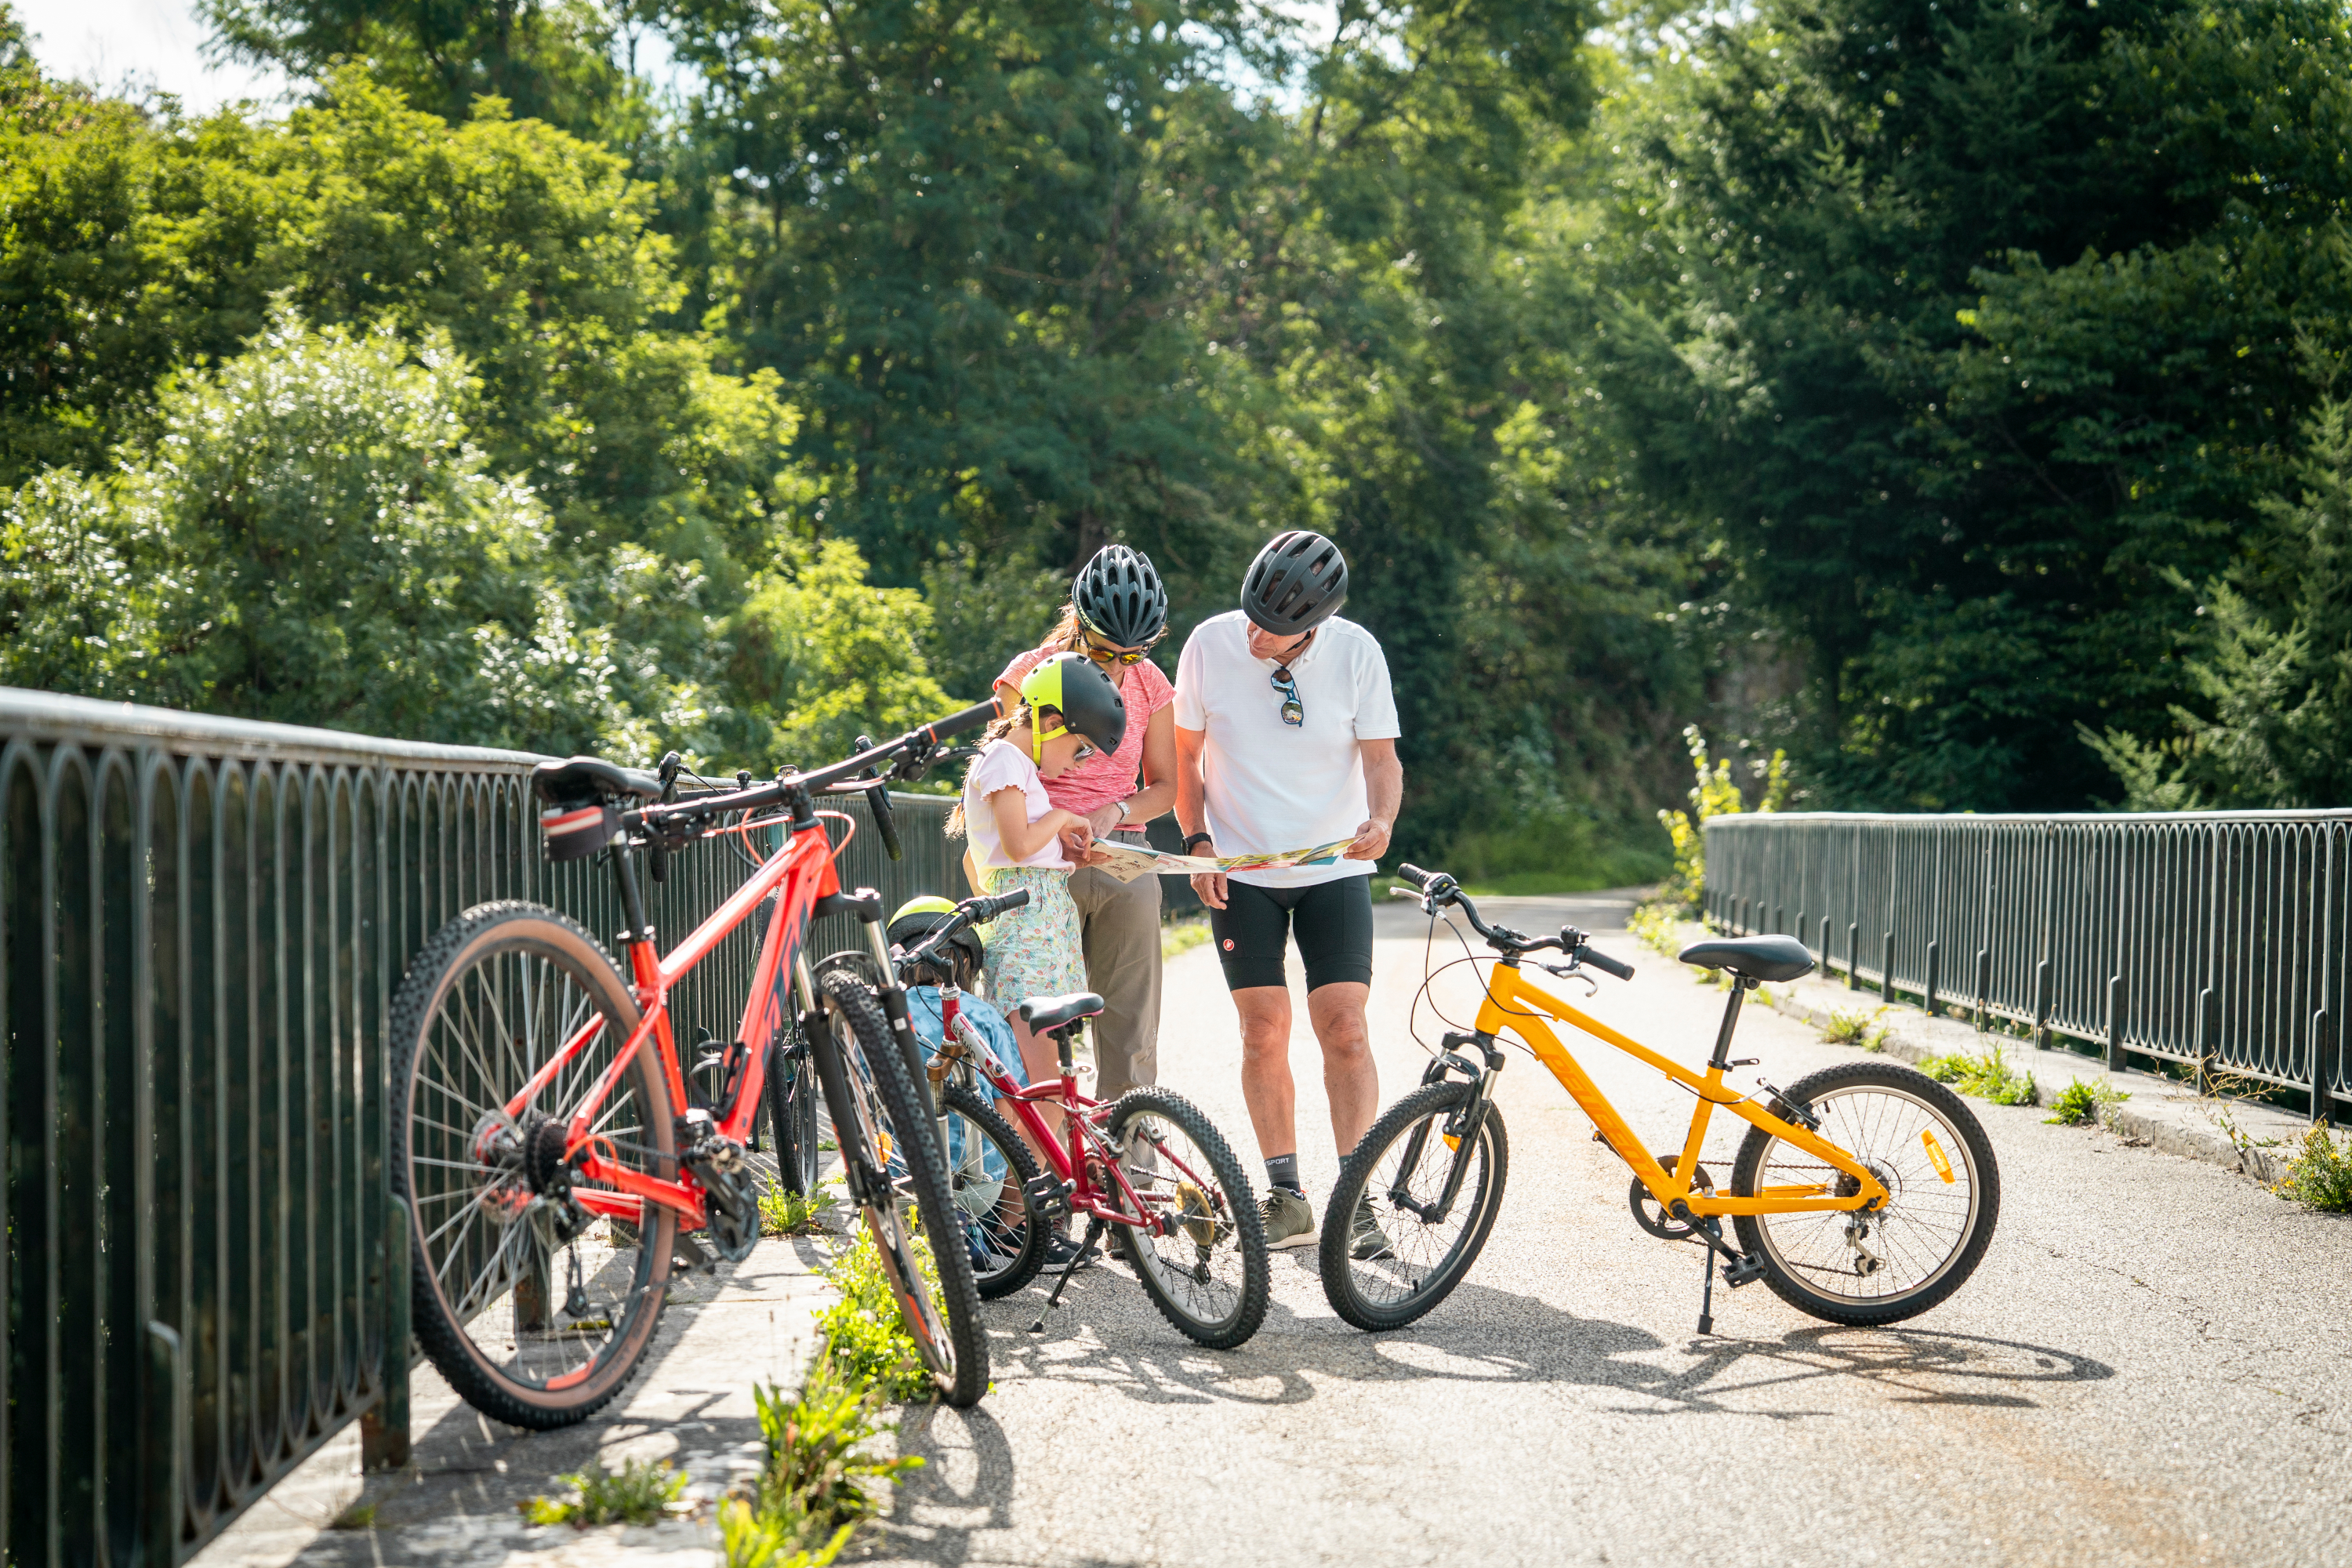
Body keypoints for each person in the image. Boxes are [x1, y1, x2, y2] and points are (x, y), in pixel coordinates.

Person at [1171, 530, 1403, 1258]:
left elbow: (1382, 760)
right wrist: (1197, 842)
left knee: (1346, 1029)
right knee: (1263, 1031)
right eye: (1250, 612)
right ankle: (1287, 1198)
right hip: (1242, 872)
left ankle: (1355, 1202)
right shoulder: (1210, 646)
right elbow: (1184, 756)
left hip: (1333, 867)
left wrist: (1384, 820)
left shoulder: (1358, 652)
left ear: (1313, 627)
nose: (1253, 632)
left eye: (1271, 626)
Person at [991, 545, 1178, 1102]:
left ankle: (1130, 1176)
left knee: (1130, 1030)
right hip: (1044, 858)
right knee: (1036, 1030)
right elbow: (1006, 768)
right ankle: (1038, 1176)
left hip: (1122, 853)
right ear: (1078, 621)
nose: (1119, 666)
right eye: (1105, 651)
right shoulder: (1026, 674)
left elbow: (1165, 788)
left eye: (1134, 653)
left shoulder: (1150, 683)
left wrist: (1114, 812)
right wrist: (1058, 822)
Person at [954, 651, 1129, 1125]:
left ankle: (1049, 1186)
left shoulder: (1015, 766)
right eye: (1081, 748)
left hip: (1039, 924)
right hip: (1031, 932)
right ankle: (1038, 1194)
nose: (1078, 764)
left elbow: (977, 858)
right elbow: (1015, 846)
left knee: (1047, 1080)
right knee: (1040, 1085)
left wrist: (1052, 856)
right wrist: (1063, 818)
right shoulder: (1007, 762)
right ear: (1052, 721)